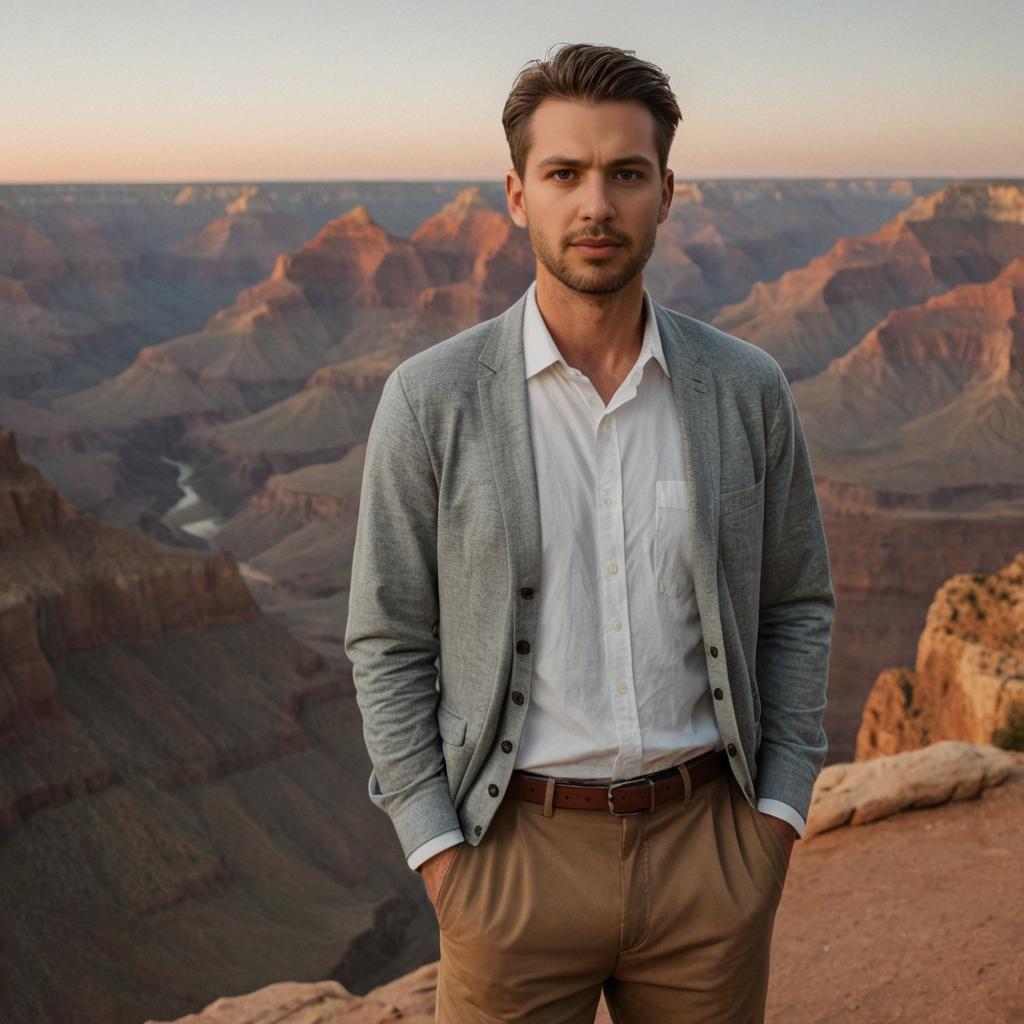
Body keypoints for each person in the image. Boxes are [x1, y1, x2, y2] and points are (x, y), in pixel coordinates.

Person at [345, 41, 835, 1024]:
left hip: (710, 855)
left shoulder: (745, 390)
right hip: (511, 861)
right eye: (564, 173)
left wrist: (775, 817)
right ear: (518, 194)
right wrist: (441, 857)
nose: (596, 205)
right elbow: (388, 637)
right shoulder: (432, 399)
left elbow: (795, 605)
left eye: (625, 174)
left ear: (666, 192)